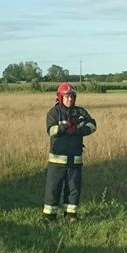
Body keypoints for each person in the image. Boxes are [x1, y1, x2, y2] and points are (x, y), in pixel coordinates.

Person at [42, 82, 96, 222]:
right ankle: (49, 216)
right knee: (53, 189)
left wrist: (79, 130)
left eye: (72, 96)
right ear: (60, 97)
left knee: (73, 189)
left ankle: (71, 215)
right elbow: (51, 131)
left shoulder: (80, 112)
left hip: (75, 159)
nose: (70, 99)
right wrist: (65, 127)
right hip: (57, 160)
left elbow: (92, 125)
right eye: (67, 96)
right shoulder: (54, 113)